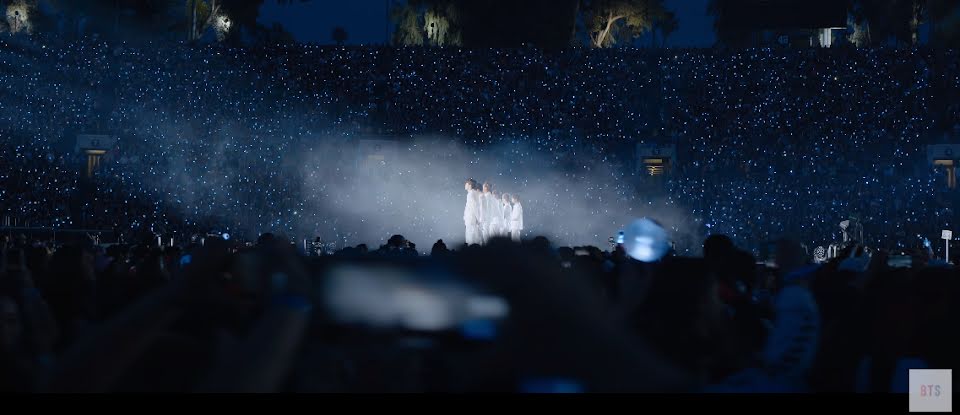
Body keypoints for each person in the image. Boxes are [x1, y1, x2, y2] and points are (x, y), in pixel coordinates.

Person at [463, 179, 482, 245]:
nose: (465, 185)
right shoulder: (473, 193)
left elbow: (475, 207)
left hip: (471, 220)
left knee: (471, 239)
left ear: (470, 185)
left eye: (466, 184)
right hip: (472, 220)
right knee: (473, 237)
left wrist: (478, 219)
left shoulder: (471, 194)